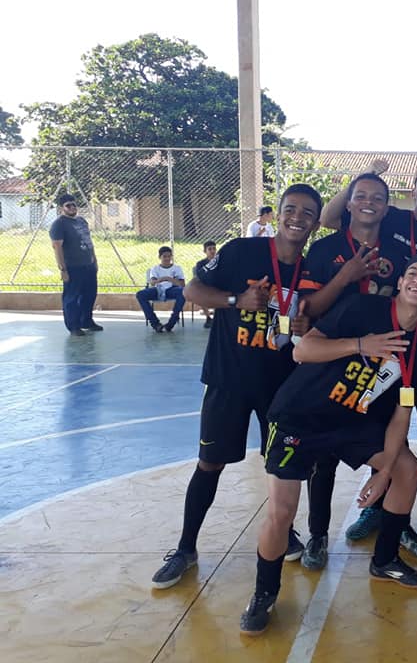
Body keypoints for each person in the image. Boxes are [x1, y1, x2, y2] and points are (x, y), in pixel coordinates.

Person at [239, 254, 417, 635]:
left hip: (352, 420)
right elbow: (302, 351)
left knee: (407, 469)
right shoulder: (362, 308)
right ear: (400, 283)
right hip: (300, 416)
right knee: (281, 511)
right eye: (413, 273)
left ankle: (384, 559)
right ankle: (264, 593)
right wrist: (360, 344)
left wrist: (383, 471)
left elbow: (403, 412)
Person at [150, 184, 322, 590]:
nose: (297, 217)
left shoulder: (312, 268)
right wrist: (235, 300)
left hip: (280, 387)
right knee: (210, 463)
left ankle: (287, 530)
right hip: (228, 379)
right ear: (277, 214)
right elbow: (191, 290)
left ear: (315, 222)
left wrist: (305, 325)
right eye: (290, 209)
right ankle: (186, 548)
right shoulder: (241, 251)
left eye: (307, 213)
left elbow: (312, 318)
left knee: (282, 466)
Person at [297, 173, 417, 570]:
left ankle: (390, 519)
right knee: (324, 455)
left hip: (385, 359)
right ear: (350, 202)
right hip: (335, 356)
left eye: (378, 198)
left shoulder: (396, 248)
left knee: (390, 441)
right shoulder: (326, 248)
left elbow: (414, 298)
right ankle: (318, 533)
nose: (369, 203)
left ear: (388, 207)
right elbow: (309, 311)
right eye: (360, 196)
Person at [49, 193, 101, 336]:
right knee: (72, 297)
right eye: (68, 206)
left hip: (88, 265)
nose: (72, 208)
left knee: (89, 294)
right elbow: (57, 247)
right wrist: (62, 269)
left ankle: (86, 321)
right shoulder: (59, 224)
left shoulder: (82, 221)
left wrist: (94, 260)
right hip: (73, 267)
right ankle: (73, 326)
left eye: (74, 205)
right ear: (61, 208)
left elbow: (89, 242)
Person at [136, 246, 187, 332]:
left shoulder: (177, 268)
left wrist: (169, 279)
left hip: (172, 289)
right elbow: (153, 282)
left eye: (169, 256)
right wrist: (163, 279)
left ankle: (171, 323)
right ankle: (155, 324)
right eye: (164, 256)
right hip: (158, 289)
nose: (167, 258)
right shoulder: (155, 269)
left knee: (183, 292)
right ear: (160, 257)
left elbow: (182, 284)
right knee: (140, 294)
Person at [194, 241, 218, 328]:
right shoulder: (200, 264)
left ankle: (218, 318)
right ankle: (208, 317)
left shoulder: (220, 262)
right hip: (205, 286)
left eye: (214, 248)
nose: (212, 251)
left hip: (218, 286)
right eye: (210, 249)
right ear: (205, 251)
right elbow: (198, 277)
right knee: (200, 293)